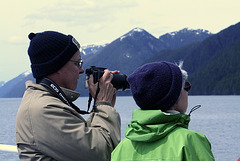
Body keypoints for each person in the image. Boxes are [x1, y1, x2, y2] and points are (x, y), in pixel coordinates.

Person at [15, 31, 121, 161]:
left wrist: (103, 106)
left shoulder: (44, 101)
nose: (81, 70)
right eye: (77, 63)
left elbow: (86, 140)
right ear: (57, 66)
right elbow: (102, 153)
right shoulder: (43, 109)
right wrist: (103, 104)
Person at [111, 61, 215, 161]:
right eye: (186, 87)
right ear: (173, 97)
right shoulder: (190, 141)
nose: (187, 92)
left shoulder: (121, 148)